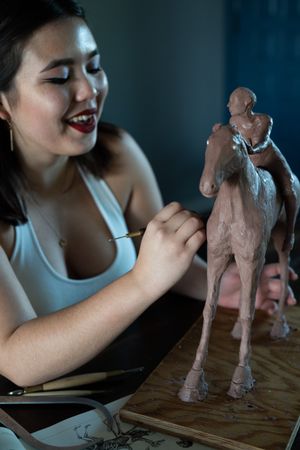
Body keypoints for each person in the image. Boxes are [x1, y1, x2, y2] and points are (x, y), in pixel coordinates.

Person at [0, 1, 297, 388]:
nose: (89, 90)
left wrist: (218, 283)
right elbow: (17, 360)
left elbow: (165, 263)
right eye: (58, 78)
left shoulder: (118, 155)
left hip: (133, 385)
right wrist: (141, 282)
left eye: (93, 66)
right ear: (3, 104)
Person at [228, 86, 298, 252]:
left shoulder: (263, 120)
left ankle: (290, 233)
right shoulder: (232, 122)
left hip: (271, 160)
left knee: (289, 188)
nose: (228, 105)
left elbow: (259, 145)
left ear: (247, 103)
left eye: (232, 101)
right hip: (250, 164)